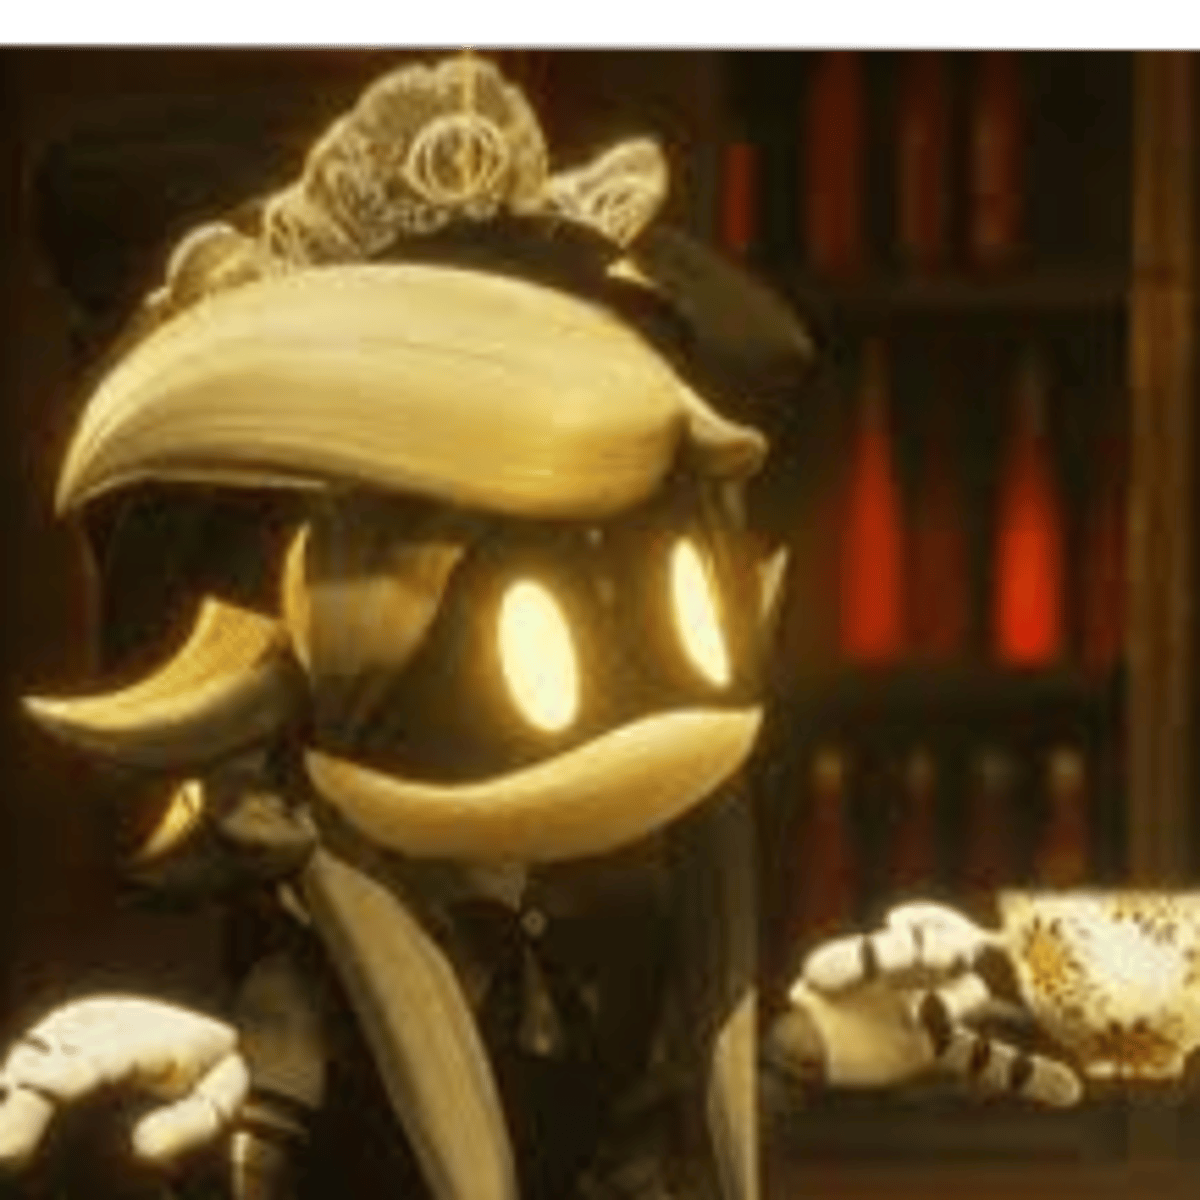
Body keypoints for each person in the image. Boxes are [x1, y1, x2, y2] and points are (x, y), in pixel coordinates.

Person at [0, 52, 1080, 1200]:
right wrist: (187, 1144)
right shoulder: (294, 990)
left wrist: (794, 1053)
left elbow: (632, 1157)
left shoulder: (616, 920)